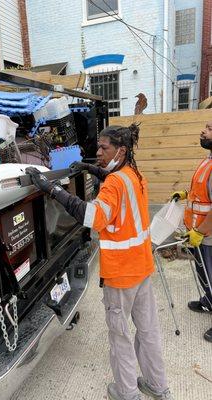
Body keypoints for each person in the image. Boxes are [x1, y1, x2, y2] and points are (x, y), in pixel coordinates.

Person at [26, 124, 173, 400]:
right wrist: (92, 169)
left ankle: (127, 393)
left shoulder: (115, 183)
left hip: (120, 275)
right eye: (98, 147)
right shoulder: (134, 175)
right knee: (148, 331)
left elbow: (92, 216)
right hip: (141, 268)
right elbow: (115, 187)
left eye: (104, 148)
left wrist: (53, 189)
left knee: (120, 336)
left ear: (122, 150)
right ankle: (157, 385)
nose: (98, 152)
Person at [172, 121, 212, 343]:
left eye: (210, 128)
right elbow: (203, 192)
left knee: (211, 275)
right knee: (204, 273)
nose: (203, 131)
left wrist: (201, 232)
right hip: (201, 232)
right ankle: (208, 302)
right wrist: (186, 194)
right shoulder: (207, 161)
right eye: (205, 127)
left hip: (208, 235)